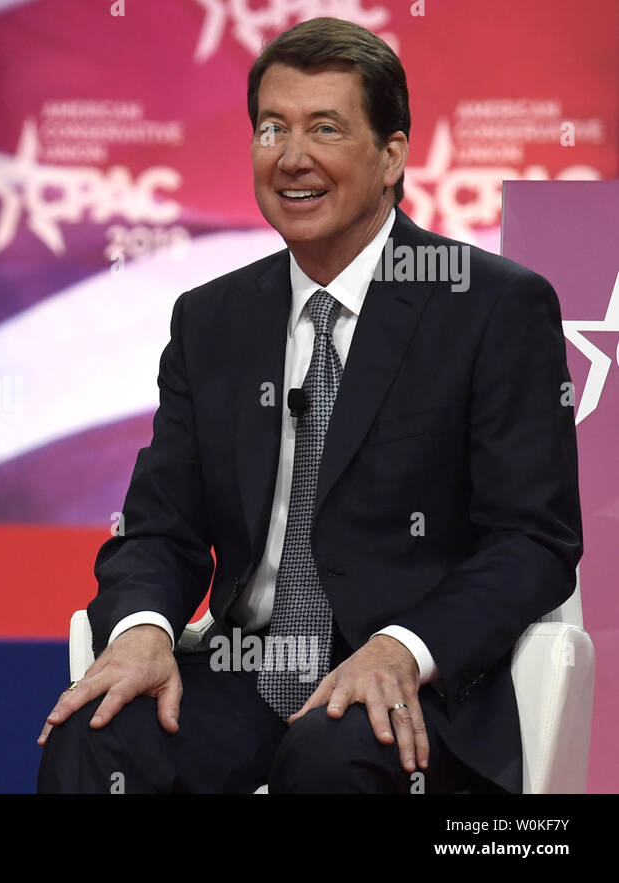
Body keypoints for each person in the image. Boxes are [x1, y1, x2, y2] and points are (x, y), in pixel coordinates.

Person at [36, 18, 582, 793]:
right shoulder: (211, 319)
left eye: (325, 127)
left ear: (392, 154)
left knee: (329, 762)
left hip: (409, 681)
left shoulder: (491, 306)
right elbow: (161, 527)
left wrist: (402, 646)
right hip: (246, 670)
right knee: (96, 738)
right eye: (272, 128)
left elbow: (533, 540)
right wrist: (142, 631)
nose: (292, 157)